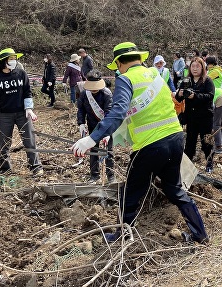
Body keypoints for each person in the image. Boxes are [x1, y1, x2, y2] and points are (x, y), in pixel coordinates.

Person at [71, 42, 208, 244]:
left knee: (130, 193)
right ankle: (200, 234)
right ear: (141, 59)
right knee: (175, 190)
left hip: (150, 146)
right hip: (176, 138)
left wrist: (91, 139)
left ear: (119, 63)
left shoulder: (125, 80)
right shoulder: (155, 74)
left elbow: (117, 112)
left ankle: (123, 235)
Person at [0, 48, 43, 176]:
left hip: (23, 114)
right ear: (3, 61)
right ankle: (5, 169)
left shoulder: (21, 74)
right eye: (11, 59)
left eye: (15, 59)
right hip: (5, 115)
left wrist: (29, 109)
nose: (14, 61)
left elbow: (27, 92)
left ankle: (35, 166)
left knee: (29, 140)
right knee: (3, 142)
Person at [175, 57, 215, 172]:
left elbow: (210, 96)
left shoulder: (207, 81)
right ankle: (187, 165)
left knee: (206, 142)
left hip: (205, 117)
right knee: (190, 143)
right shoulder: (186, 81)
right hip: (191, 117)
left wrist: (195, 96)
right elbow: (178, 98)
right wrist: (180, 93)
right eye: (193, 66)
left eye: (198, 66)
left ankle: (209, 162)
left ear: (202, 67)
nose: (195, 69)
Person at [77, 70, 114, 183]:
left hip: (106, 125)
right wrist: (81, 123)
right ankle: (94, 175)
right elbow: (81, 109)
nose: (93, 89)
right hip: (92, 125)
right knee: (93, 149)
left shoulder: (106, 94)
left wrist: (106, 132)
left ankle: (111, 175)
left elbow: (109, 113)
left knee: (109, 150)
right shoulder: (84, 94)